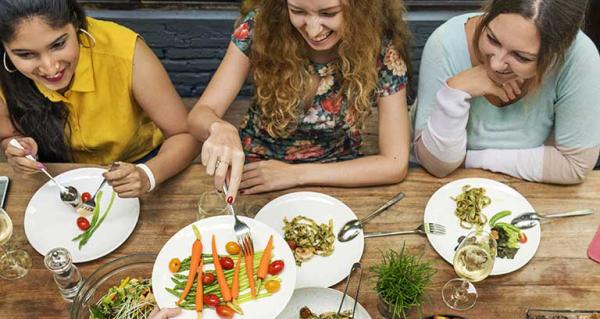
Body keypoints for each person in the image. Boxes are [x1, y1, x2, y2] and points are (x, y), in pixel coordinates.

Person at [188, 0, 412, 202]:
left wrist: (294, 174)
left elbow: (394, 163)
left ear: (360, 7)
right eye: (297, 11)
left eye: (329, 13)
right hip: (254, 169)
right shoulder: (261, 26)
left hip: (338, 173)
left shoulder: (381, 47)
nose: (313, 30)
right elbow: (200, 114)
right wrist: (218, 127)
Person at [0, 0, 200, 197]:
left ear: (76, 23)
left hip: (141, 162)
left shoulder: (124, 50)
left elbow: (186, 135)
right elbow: (8, 136)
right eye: (26, 54)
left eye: (59, 44)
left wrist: (148, 174)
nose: (50, 67)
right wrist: (17, 148)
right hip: (54, 175)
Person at [413, 0, 600, 184]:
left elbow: (574, 165)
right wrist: (454, 93)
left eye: (521, 56)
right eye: (492, 39)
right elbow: (436, 165)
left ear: (556, 54)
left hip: (537, 196)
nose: (495, 64)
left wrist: (472, 160)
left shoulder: (580, 59)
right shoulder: (446, 43)